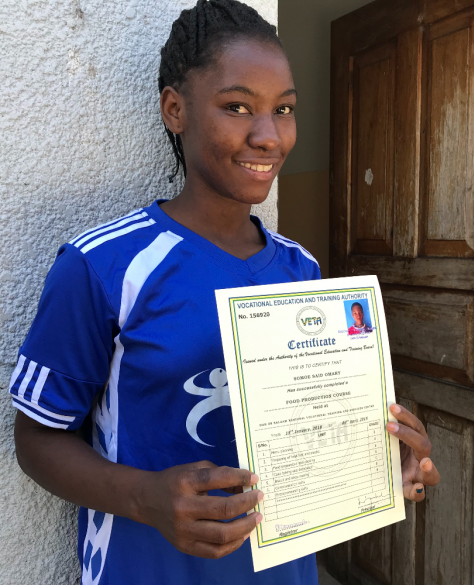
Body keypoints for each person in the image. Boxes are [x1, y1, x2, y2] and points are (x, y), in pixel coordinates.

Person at [9, 1, 440, 584]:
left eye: (284, 110)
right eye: (237, 107)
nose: (268, 136)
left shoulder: (301, 269)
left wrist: (386, 459)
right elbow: (37, 439)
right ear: (175, 110)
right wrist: (146, 499)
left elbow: (313, 423)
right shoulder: (105, 265)